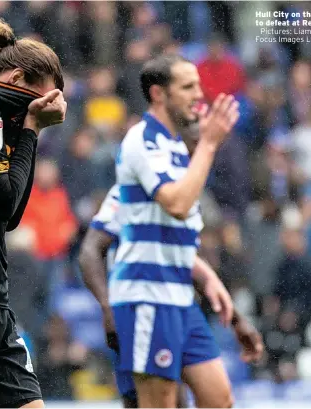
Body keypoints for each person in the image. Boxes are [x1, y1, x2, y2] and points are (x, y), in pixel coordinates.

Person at [109, 53, 253, 408]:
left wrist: (207, 277)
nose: (198, 94)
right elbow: (175, 203)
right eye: (188, 86)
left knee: (219, 399)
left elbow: (173, 230)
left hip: (179, 297)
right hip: (147, 295)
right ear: (159, 94)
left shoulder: (176, 147)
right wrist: (207, 144)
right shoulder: (142, 140)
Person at [79, 182, 264, 408]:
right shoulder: (130, 190)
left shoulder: (190, 194)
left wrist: (235, 318)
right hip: (140, 307)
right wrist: (107, 307)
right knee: (149, 401)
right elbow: (90, 250)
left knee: (217, 400)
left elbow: (186, 260)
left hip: (180, 307)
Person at [0, 19, 66, 408]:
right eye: (40, 100)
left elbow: (7, 216)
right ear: (15, 77)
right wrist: (31, 130)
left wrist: (31, 129)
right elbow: (3, 203)